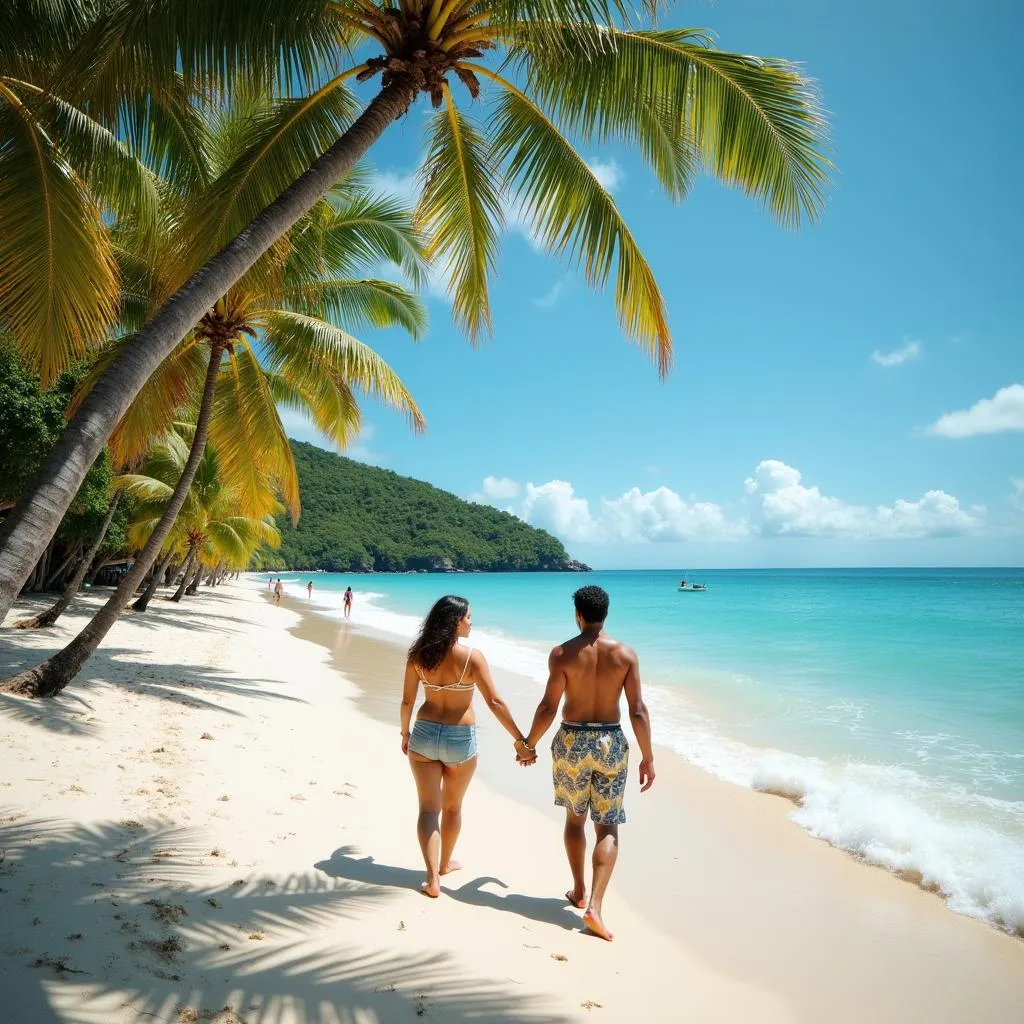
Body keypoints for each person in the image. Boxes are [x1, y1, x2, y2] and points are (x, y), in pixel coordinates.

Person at [518, 585, 655, 942]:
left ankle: (578, 889)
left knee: (574, 819)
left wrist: (528, 744)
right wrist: (648, 757)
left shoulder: (562, 654)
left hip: (572, 740)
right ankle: (593, 904)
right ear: (605, 614)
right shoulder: (626, 655)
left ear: (578, 614)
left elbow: (548, 706)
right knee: (607, 827)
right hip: (611, 741)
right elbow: (637, 711)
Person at [401, 595, 534, 898]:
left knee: (427, 809)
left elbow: (408, 700)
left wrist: (404, 733)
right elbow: (495, 702)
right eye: (469, 617)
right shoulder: (472, 657)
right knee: (452, 807)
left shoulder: (418, 655)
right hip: (459, 739)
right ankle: (445, 864)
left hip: (423, 733)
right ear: (455, 621)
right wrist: (520, 740)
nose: (471, 622)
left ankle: (432, 877)